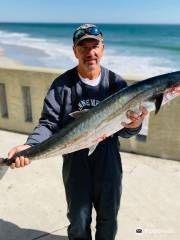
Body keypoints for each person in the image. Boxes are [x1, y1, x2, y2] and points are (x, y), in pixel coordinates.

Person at [8, 24, 148, 240]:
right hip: (74, 158)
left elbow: (126, 131)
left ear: (103, 48)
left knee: (108, 218)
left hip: (107, 157)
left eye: (95, 46)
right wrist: (30, 146)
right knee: (78, 219)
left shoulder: (116, 83)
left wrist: (134, 126)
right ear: (75, 51)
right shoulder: (62, 86)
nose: (90, 53)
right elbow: (48, 123)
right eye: (83, 47)